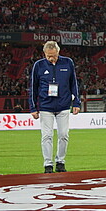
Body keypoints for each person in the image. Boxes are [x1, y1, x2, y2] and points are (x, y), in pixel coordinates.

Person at [29, 41, 81, 173]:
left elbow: (73, 83)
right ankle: (47, 164)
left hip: (63, 105)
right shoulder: (39, 65)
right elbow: (33, 87)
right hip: (46, 106)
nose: (51, 58)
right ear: (44, 54)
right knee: (47, 136)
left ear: (58, 52)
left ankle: (60, 162)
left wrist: (76, 102)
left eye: (54, 55)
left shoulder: (67, 62)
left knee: (63, 134)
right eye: (48, 56)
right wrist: (33, 107)